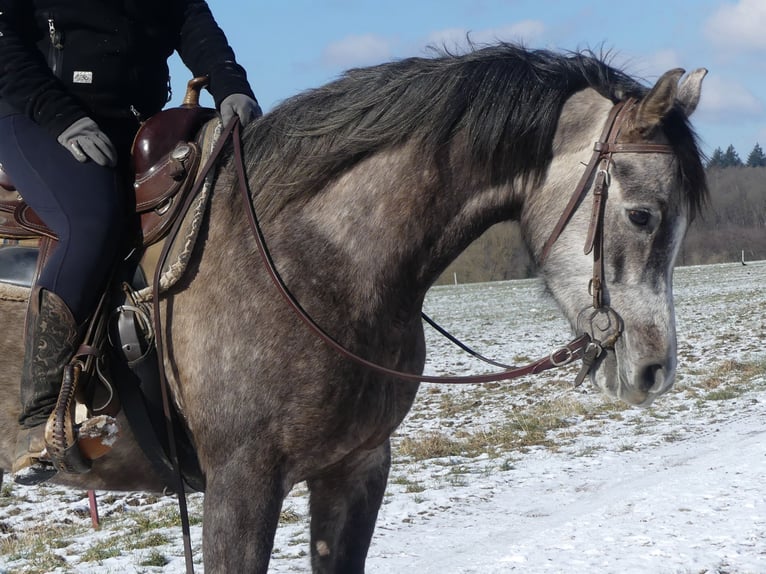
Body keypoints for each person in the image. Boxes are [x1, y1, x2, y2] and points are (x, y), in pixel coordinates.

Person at [0, 0, 261, 480]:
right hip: (37, 114)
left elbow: (189, 19)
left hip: (135, 118)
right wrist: (58, 115)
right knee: (92, 220)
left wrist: (229, 84)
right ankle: (35, 420)